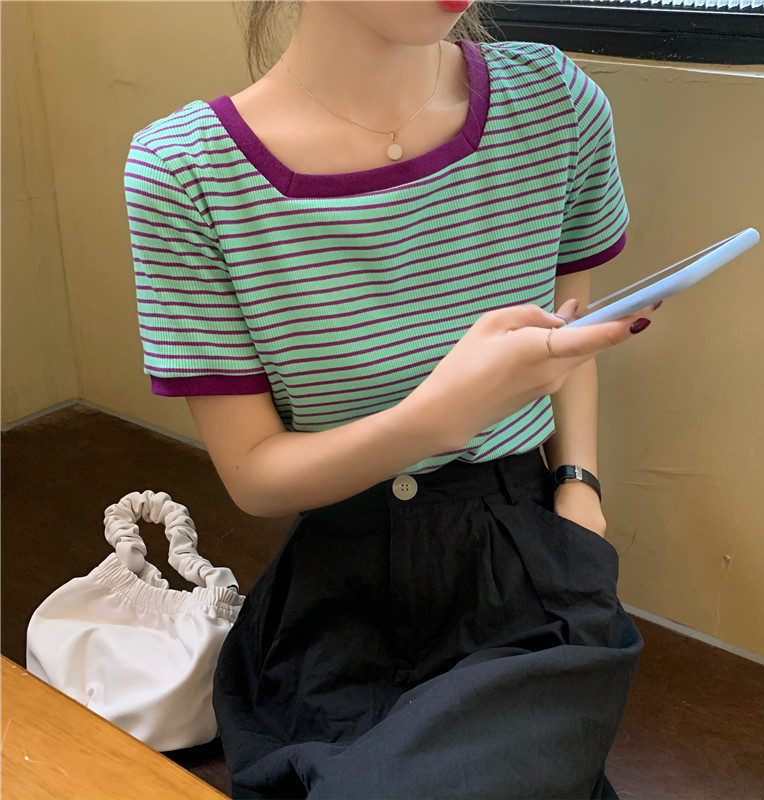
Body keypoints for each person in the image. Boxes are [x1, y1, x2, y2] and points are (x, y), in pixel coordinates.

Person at [124, 2, 655, 797]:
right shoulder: (186, 174)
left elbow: (568, 336)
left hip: (524, 565)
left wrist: (580, 495)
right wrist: (434, 418)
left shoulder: (554, 102)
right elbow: (254, 475)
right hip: (337, 590)